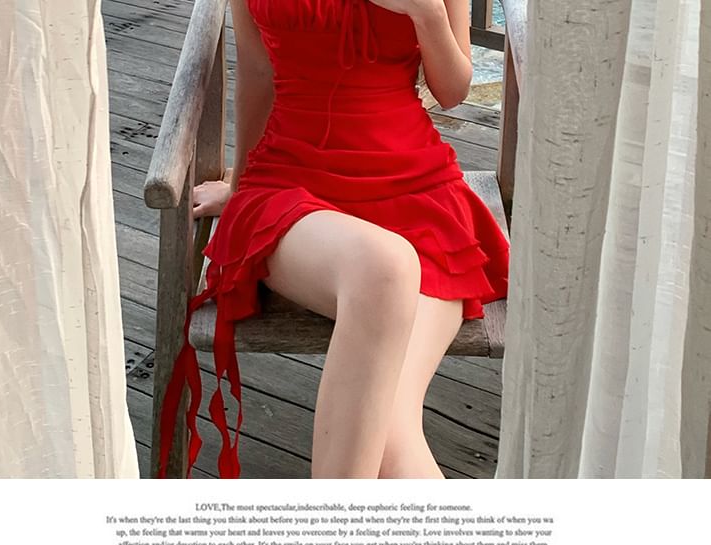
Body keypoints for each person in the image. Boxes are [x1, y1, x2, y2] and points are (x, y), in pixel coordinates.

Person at [159, 0, 510, 479]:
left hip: (418, 192)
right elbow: (257, 75)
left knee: (391, 430)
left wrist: (427, 14)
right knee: (385, 268)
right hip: (291, 184)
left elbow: (452, 91)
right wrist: (239, 189)